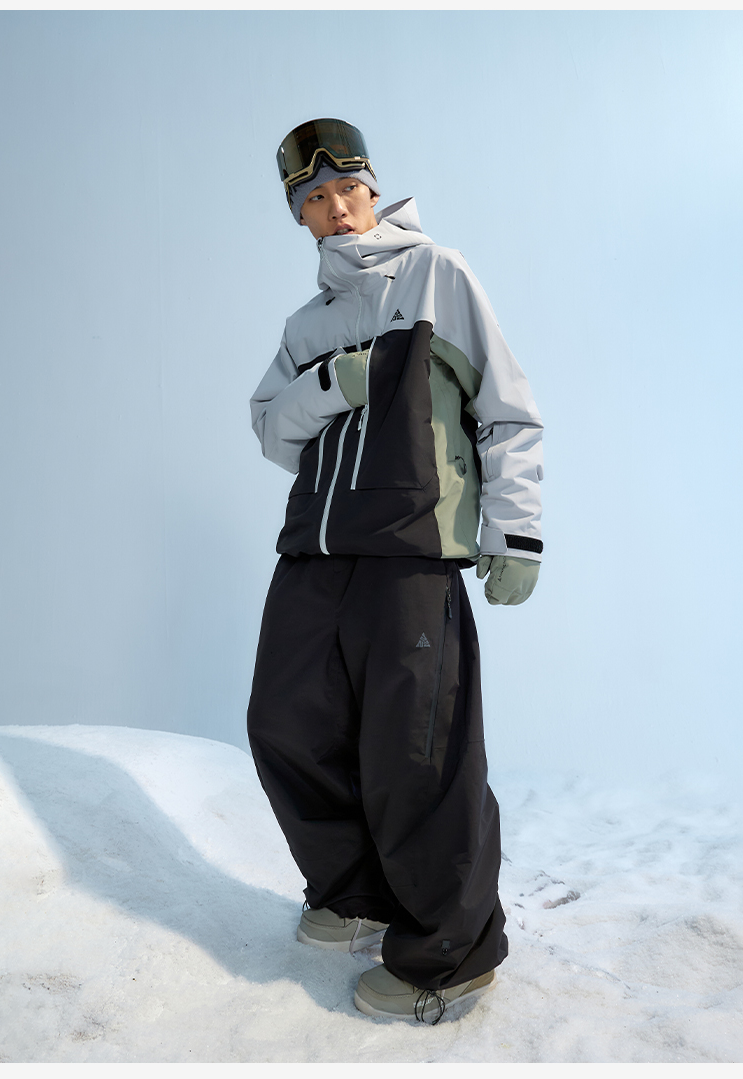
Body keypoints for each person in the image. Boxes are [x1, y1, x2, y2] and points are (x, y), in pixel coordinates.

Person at [247, 118, 544, 1023]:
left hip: (411, 549)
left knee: (417, 753)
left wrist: (516, 532)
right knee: (285, 723)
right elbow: (271, 430)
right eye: (315, 199)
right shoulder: (306, 325)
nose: (336, 209)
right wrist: (334, 383)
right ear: (299, 216)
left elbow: (506, 408)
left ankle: (452, 954)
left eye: (347, 189)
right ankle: (358, 893)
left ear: (372, 189)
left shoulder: (436, 275)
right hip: (314, 549)